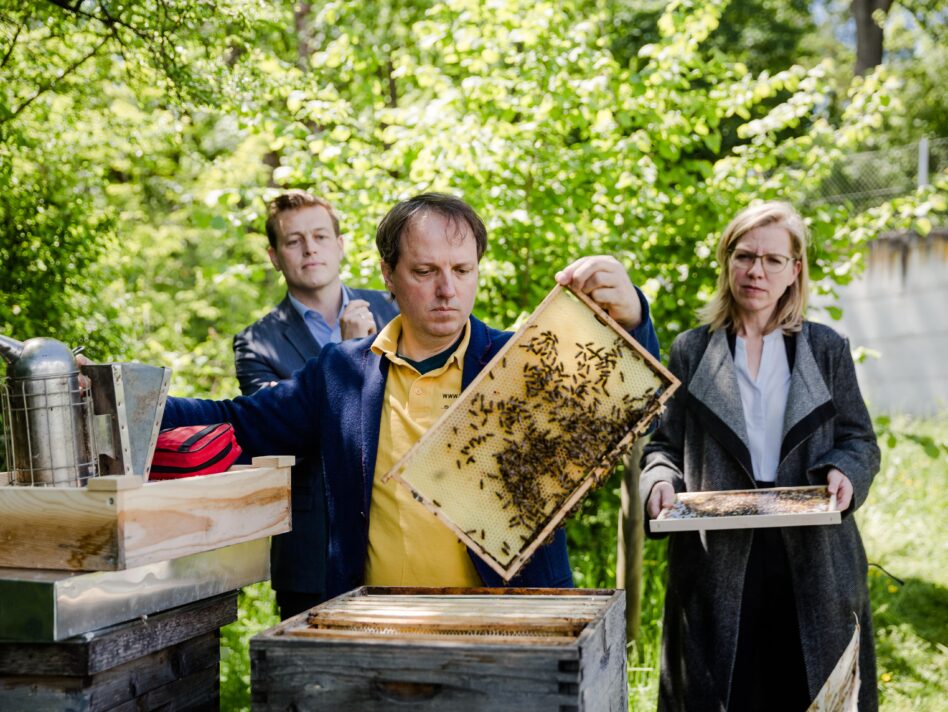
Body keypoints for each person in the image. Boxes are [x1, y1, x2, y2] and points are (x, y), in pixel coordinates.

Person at [164, 192, 660, 602]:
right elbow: (236, 421)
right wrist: (125, 398)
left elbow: (631, 405)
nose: (447, 290)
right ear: (388, 273)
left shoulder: (519, 364)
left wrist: (633, 312)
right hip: (381, 629)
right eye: (425, 272)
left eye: (462, 271)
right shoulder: (341, 372)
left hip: (510, 626)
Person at [640, 201, 880, 711]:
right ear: (728, 262)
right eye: (745, 255)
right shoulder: (691, 350)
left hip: (813, 553)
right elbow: (663, 445)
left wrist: (846, 471)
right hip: (718, 557)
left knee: (810, 689)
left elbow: (859, 440)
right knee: (728, 692)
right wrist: (658, 481)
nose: (756, 270)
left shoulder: (827, 348)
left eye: (773, 259)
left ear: (795, 270)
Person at [233, 191, 398, 618]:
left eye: (321, 236)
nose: (310, 249)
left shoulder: (396, 309)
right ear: (274, 256)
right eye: (294, 241)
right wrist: (348, 355)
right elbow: (279, 434)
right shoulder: (255, 343)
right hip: (312, 553)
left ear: (340, 245)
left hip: (399, 532)